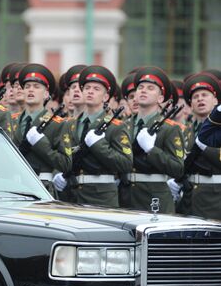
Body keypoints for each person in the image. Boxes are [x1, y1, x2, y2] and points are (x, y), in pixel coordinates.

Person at [52, 65, 132, 206]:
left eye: (96, 89)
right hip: (72, 194)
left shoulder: (115, 126)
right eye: (87, 88)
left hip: (102, 196)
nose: (90, 92)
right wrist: (58, 173)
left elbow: (125, 163)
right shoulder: (70, 124)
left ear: (106, 96)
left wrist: (99, 145)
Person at [120, 66, 184, 213]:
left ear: (160, 98)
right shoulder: (123, 126)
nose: (143, 90)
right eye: (140, 87)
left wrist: (151, 150)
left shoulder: (169, 128)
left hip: (155, 199)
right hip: (125, 197)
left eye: (150, 88)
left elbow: (178, 169)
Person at [11, 63, 71, 192]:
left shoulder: (57, 124)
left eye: (36, 87)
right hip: (15, 187)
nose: (31, 90)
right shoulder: (12, 120)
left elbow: (66, 163)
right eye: (27, 87)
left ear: (46, 94)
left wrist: (41, 144)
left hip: (43, 186)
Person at [168, 73, 220, 218]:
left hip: (215, 198)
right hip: (189, 199)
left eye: (205, 95)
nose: (200, 99)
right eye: (195, 97)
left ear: (216, 101)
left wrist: (204, 147)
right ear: (190, 105)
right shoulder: (185, 131)